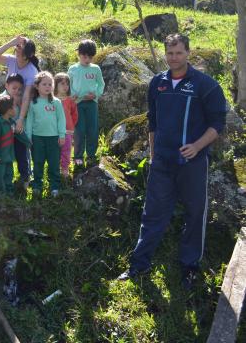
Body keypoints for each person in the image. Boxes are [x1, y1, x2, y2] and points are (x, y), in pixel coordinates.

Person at [118, 34, 227, 290]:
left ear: (188, 52)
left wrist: (197, 146)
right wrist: (153, 155)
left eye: (178, 53)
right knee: (152, 213)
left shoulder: (206, 85)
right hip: (163, 163)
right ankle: (139, 265)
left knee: (195, 213)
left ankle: (189, 268)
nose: (173, 58)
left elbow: (217, 124)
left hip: (193, 163)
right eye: (169, 53)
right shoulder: (158, 83)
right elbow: (152, 122)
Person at [25, 71, 66, 197]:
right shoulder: (33, 103)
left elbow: (61, 119)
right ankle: (37, 185)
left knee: (54, 163)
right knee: (38, 162)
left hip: (54, 138)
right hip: (37, 138)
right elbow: (30, 120)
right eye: (44, 84)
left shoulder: (56, 102)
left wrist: (62, 135)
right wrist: (29, 136)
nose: (48, 87)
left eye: (50, 84)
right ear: (37, 86)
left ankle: (54, 186)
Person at [0, 35, 40, 133]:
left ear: (28, 55)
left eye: (21, 47)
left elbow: (26, 97)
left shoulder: (32, 71)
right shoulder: (11, 60)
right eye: (17, 47)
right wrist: (10, 43)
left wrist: (20, 119)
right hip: (7, 98)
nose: (18, 49)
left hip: (21, 103)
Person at [68, 39, 105, 168]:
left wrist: (96, 94)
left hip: (91, 103)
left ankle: (91, 155)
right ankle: (78, 156)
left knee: (92, 129)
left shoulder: (95, 69)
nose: (87, 59)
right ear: (79, 54)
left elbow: (101, 84)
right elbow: (68, 85)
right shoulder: (73, 69)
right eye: (84, 55)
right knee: (79, 130)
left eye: (90, 56)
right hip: (77, 104)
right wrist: (72, 95)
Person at [4, 74, 31, 191]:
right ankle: (6, 181)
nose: (17, 91)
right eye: (14, 88)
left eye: (20, 89)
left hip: (19, 134)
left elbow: (26, 116)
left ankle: (25, 179)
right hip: (6, 136)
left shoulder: (23, 100)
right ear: (6, 86)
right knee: (7, 158)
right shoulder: (2, 100)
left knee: (22, 157)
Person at [0, 95, 17, 197]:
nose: (16, 109)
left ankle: (9, 192)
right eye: (14, 107)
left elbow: (20, 133)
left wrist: (29, 142)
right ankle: (0, 194)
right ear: (9, 110)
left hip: (9, 155)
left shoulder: (12, 122)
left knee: (9, 174)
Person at [54, 73, 78, 179]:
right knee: (55, 150)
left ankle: (64, 169)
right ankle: (54, 168)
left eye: (67, 84)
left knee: (66, 150)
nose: (65, 86)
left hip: (67, 131)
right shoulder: (51, 100)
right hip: (53, 131)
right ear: (55, 85)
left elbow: (74, 114)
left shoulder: (70, 100)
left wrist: (71, 125)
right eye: (62, 84)